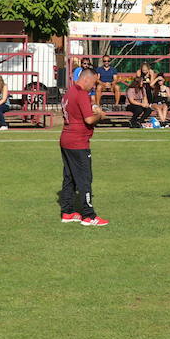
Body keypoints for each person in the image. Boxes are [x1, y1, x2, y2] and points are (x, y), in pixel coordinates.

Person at [58, 66, 108, 226]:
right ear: (86, 79)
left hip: (66, 137)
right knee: (85, 178)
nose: (93, 86)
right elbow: (88, 120)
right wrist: (100, 115)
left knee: (69, 177)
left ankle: (67, 212)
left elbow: (74, 113)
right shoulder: (81, 93)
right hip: (78, 141)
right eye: (93, 83)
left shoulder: (69, 92)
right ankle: (89, 215)